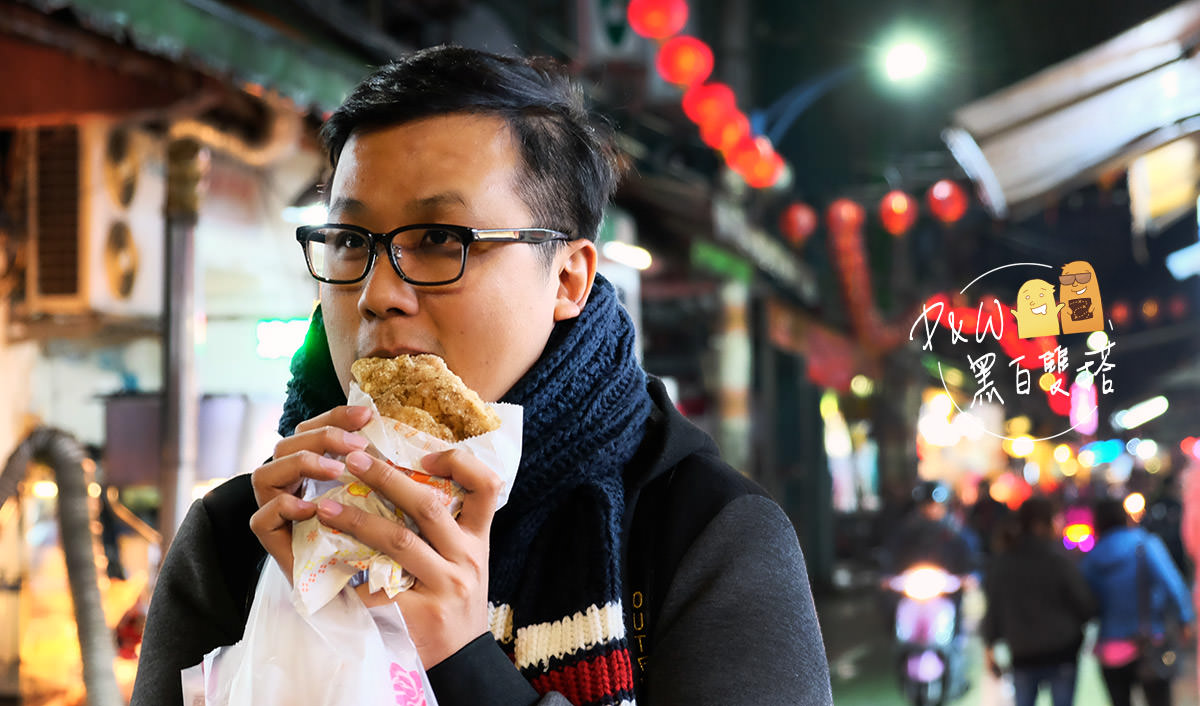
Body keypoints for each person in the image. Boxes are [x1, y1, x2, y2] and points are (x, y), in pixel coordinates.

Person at [130, 45, 833, 706]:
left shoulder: (702, 537)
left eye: (441, 240)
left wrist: (464, 661)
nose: (378, 293)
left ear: (568, 277)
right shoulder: (239, 540)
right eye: (350, 241)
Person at [981, 495, 1096, 706]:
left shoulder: (1003, 562)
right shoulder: (1058, 560)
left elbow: (993, 609)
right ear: (1040, 524)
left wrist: (989, 649)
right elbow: (1085, 606)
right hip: (1062, 652)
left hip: (1022, 655)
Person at [1081, 496, 1195, 706]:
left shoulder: (1091, 558)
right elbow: (1173, 584)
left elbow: (1084, 603)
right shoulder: (1144, 544)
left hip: (1110, 649)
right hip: (1149, 641)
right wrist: (1184, 618)